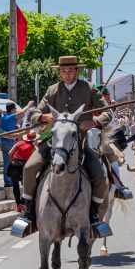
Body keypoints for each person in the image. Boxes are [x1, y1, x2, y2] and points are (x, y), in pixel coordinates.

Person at [19, 55, 112, 235]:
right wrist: (42, 117)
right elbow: (34, 113)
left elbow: (108, 112)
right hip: (56, 142)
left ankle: (94, 217)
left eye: (70, 71)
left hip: (80, 143)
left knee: (100, 177)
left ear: (77, 71)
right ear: (59, 72)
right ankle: (29, 213)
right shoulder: (53, 90)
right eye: (63, 71)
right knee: (29, 167)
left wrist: (94, 122)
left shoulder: (89, 89)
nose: (67, 75)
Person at [0, 100, 34, 188]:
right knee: (11, 162)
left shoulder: (4, 117)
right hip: (8, 142)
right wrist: (28, 105)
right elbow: (22, 112)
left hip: (4, 142)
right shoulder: (9, 117)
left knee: (7, 162)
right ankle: (9, 180)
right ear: (13, 109)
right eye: (15, 109)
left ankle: (8, 180)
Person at [7, 132, 37, 211]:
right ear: (34, 138)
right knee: (26, 185)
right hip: (24, 165)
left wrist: (14, 159)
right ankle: (23, 202)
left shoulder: (19, 143)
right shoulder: (33, 147)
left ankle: (18, 205)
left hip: (14, 164)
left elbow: (10, 153)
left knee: (15, 185)